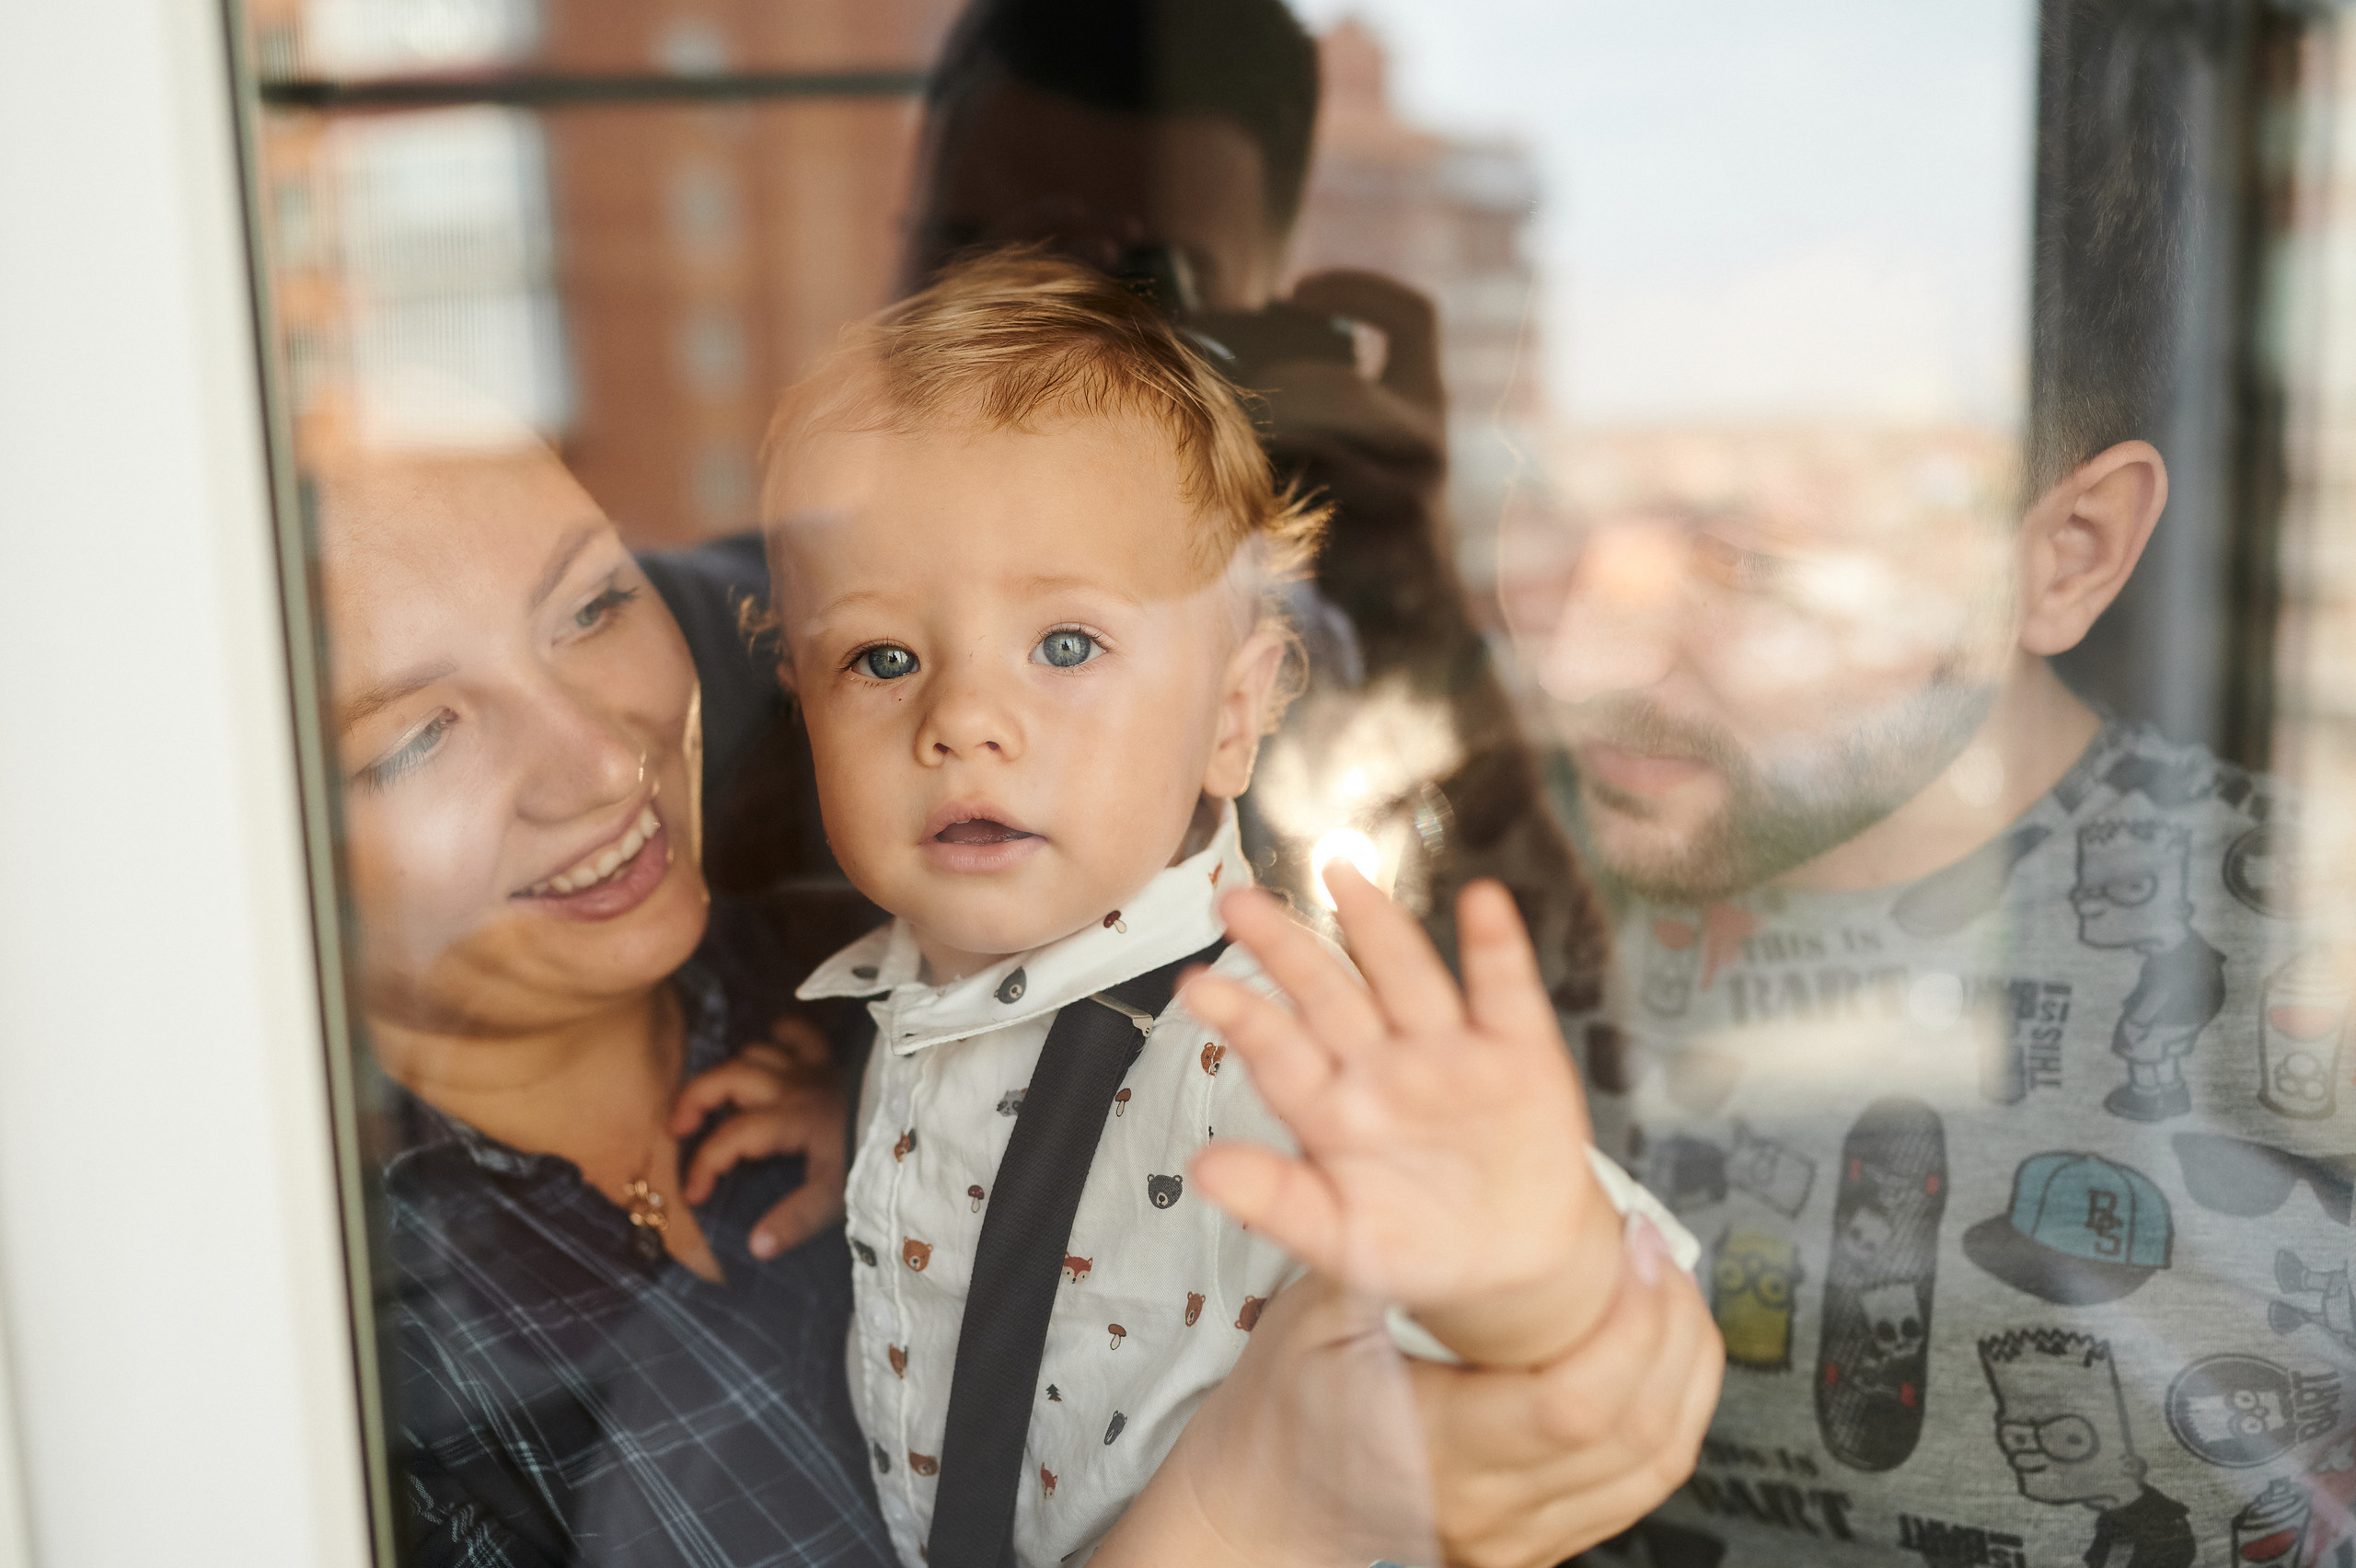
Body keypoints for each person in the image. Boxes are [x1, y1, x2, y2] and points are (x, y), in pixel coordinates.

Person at [313, 404, 1719, 1568]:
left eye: (596, 603)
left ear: (1238, 709)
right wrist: (1245, 1521)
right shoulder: (341, 1349)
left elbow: (1560, 1292)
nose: (601, 759)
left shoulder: (973, 976)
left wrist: (853, 1072)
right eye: (410, 741)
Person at [1523, 5, 2341, 1564]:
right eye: (1558, 503)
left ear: (2063, 554)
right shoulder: (1461, 894)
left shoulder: (2306, 951)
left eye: (1744, 553)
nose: (1579, 656)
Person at [740, 249, 1703, 1568]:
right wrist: (846, 1099)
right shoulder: (914, 1000)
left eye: (1065, 645)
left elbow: (1626, 1317)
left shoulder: (1259, 1047)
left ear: (1234, 716)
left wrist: (1532, 1276)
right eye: (882, 657)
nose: (961, 718)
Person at [688, 0, 1609, 1020]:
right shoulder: (745, 620)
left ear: (1261, 313)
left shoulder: (1327, 641)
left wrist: (1406, 600)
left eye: (1139, 286)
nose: (1042, 344)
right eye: (981, 252)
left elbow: (1560, 1028)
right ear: (901, 249)